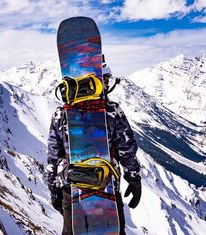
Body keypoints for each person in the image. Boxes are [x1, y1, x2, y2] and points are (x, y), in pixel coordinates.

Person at [47, 70, 142, 235]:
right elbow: (126, 149)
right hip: (107, 187)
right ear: (101, 82)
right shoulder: (112, 111)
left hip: (72, 190)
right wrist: (134, 179)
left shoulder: (60, 114)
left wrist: (54, 189)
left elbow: (53, 157)